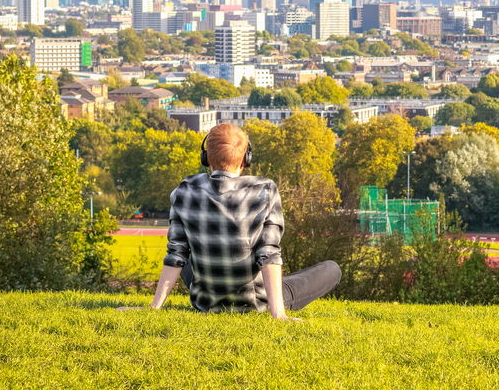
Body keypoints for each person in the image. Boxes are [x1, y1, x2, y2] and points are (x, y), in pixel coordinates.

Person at [121, 123, 341, 319]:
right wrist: (279, 314)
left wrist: (154, 308)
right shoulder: (264, 191)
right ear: (245, 159)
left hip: (206, 302)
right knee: (331, 269)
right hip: (255, 303)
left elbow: (176, 254)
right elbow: (269, 254)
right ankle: (275, 304)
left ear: (206, 158)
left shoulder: (185, 190)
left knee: (186, 257)